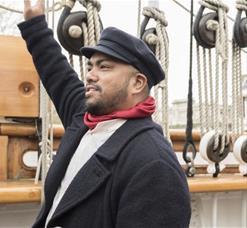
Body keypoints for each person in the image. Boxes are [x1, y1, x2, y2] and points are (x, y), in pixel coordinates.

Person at [18, 0, 191, 227]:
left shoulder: (153, 163)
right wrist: (35, 21)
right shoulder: (83, 119)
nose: (90, 74)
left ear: (137, 83)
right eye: (90, 66)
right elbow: (55, 71)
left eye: (104, 67)